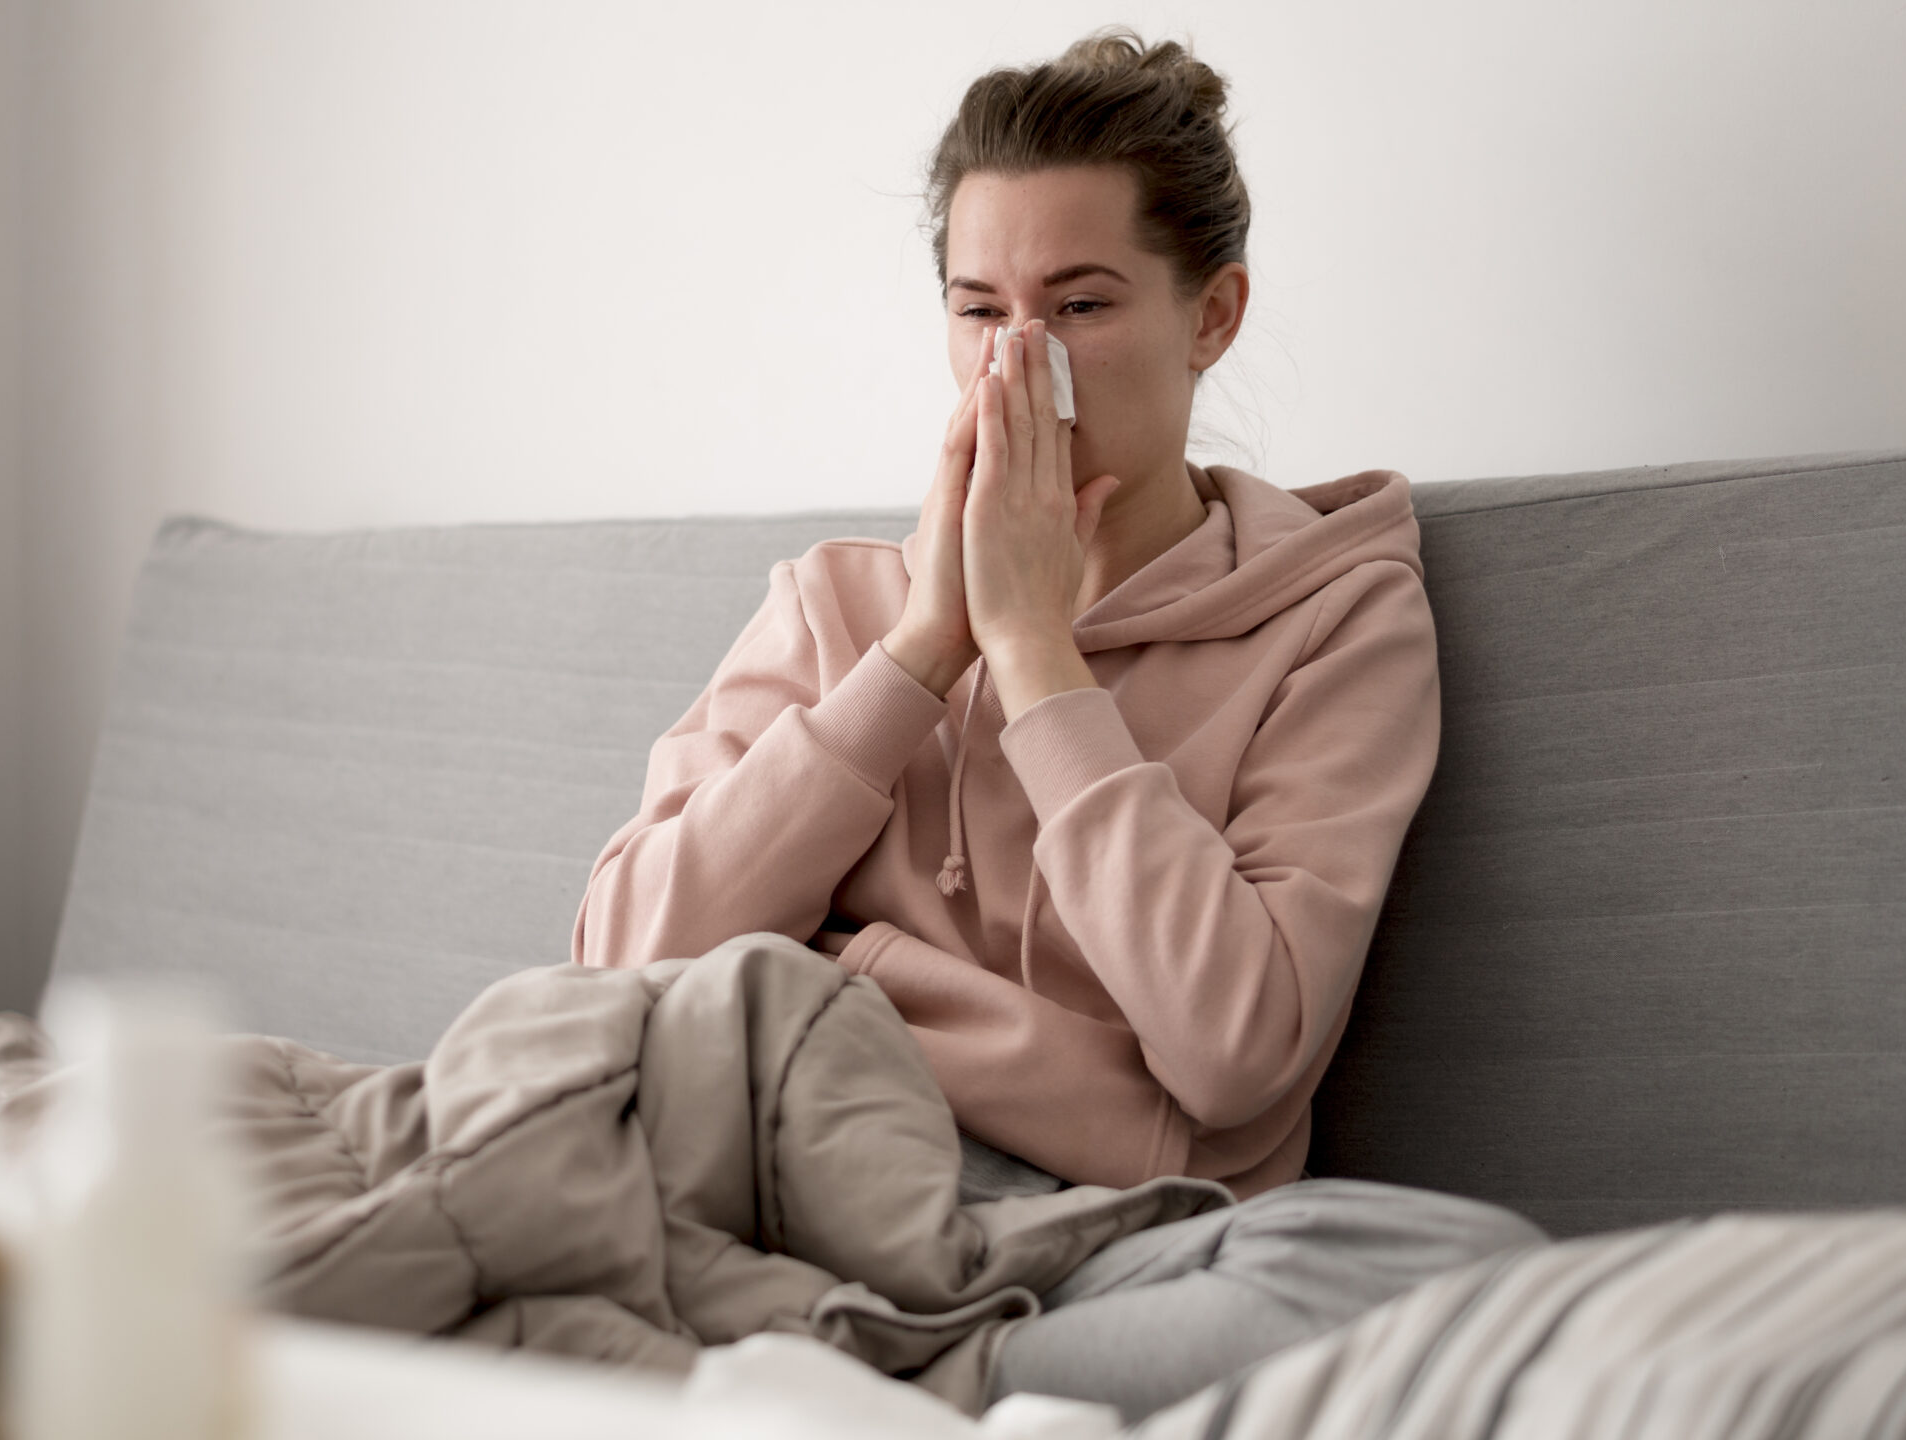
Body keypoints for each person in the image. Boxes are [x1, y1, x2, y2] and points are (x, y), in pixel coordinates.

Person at [572, 24, 1547, 1424]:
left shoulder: (1334, 620)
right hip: (781, 1188)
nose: (1017, 367)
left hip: (1096, 1253)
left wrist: (1034, 656)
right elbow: (620, 965)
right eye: (979, 311)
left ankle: (857, 1374)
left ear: (1211, 315)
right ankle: (836, 1359)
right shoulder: (840, 605)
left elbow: (1235, 1052)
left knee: (1465, 1281)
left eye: (1080, 306)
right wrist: (924, 647)